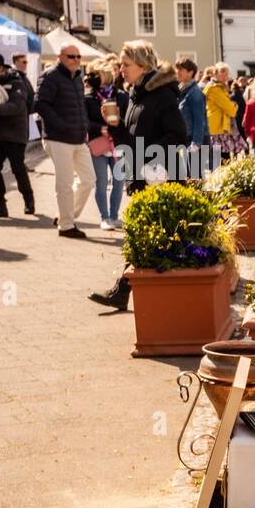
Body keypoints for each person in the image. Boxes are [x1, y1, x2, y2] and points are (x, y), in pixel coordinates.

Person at [89, 42, 190, 309]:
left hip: (161, 177)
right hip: (140, 174)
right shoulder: (137, 95)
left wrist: (154, 163)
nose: (120, 69)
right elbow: (131, 140)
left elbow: (179, 136)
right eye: (121, 64)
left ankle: (130, 292)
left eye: (126, 65)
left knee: (153, 235)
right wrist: (116, 126)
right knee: (146, 235)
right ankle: (125, 292)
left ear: (143, 66)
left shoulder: (162, 96)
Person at [34, 45, 95, 238]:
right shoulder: (50, 76)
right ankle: (66, 225)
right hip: (57, 138)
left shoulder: (77, 77)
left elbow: (80, 107)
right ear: (60, 57)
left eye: (78, 56)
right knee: (65, 183)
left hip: (78, 138)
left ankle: (64, 215)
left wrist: (84, 127)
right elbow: (40, 104)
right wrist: (61, 125)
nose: (76, 59)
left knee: (88, 179)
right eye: (71, 56)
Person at [0, 52, 35, 219]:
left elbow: (17, 106)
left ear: (0, 67)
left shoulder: (16, 82)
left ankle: (28, 199)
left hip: (14, 134)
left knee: (18, 169)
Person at [83, 62, 126, 228]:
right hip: (98, 145)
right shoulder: (88, 98)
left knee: (119, 181)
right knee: (101, 182)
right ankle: (105, 218)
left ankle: (114, 216)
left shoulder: (122, 96)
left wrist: (116, 128)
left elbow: (127, 120)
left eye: (97, 75)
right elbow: (84, 121)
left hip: (118, 145)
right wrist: (99, 128)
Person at [175, 58, 209, 178]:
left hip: (194, 140)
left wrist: (196, 143)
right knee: (187, 177)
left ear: (190, 73)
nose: (177, 72)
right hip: (185, 138)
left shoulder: (195, 93)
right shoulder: (181, 91)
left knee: (194, 178)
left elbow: (200, 120)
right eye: (177, 69)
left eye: (181, 69)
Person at [204, 63, 242, 160]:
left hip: (219, 127)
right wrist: (235, 106)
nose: (226, 76)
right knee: (221, 160)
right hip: (217, 127)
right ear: (215, 74)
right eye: (223, 73)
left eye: (227, 73)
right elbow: (230, 110)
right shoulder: (214, 89)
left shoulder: (220, 87)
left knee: (223, 158)